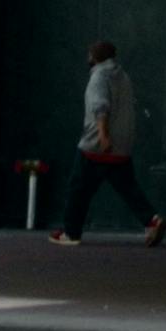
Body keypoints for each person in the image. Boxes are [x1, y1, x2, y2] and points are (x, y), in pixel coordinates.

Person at [64, 33, 157, 243]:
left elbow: (100, 108)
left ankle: (70, 232)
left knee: (78, 188)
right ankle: (152, 220)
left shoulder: (98, 77)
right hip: (121, 146)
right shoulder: (123, 76)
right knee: (128, 188)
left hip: (95, 146)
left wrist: (103, 136)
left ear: (94, 57)